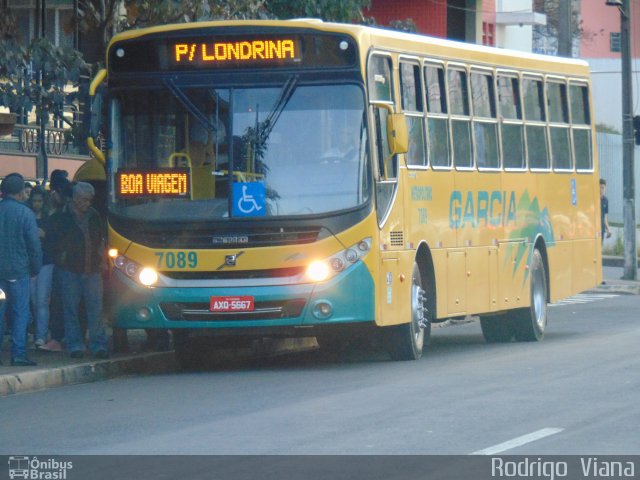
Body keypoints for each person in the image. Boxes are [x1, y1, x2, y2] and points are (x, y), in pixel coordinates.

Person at [48, 181, 109, 359]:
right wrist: (62, 256)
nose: (87, 203)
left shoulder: (94, 215)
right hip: (69, 269)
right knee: (71, 309)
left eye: (89, 200)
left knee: (95, 310)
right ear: (74, 199)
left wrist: (102, 261)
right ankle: (75, 345)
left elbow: (100, 240)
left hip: (93, 269)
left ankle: (98, 345)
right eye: (83, 200)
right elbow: (53, 240)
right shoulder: (61, 216)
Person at [0, 173, 42, 366]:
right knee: (20, 312)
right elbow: (33, 244)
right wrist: (35, 268)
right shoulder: (25, 213)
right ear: (19, 193)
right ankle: (18, 354)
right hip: (19, 271)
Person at [38, 174, 72, 352]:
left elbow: (51, 236)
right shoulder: (70, 212)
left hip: (62, 263)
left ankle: (58, 338)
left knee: (59, 302)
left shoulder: (60, 215)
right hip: (65, 264)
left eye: (52, 192)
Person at [27, 186, 54, 349]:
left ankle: (40, 335)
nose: (37, 204)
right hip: (37, 262)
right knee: (35, 300)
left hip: (44, 262)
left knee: (40, 301)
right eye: (35, 201)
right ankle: (40, 333)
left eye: (39, 201)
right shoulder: (48, 217)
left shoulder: (46, 219)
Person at [600, 178, 612, 243]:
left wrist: (608, 230)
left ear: (605, 188)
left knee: (600, 248)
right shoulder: (594, 199)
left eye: (603, 188)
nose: (601, 190)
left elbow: (605, 217)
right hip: (594, 229)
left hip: (602, 229)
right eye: (600, 187)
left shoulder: (606, 200)